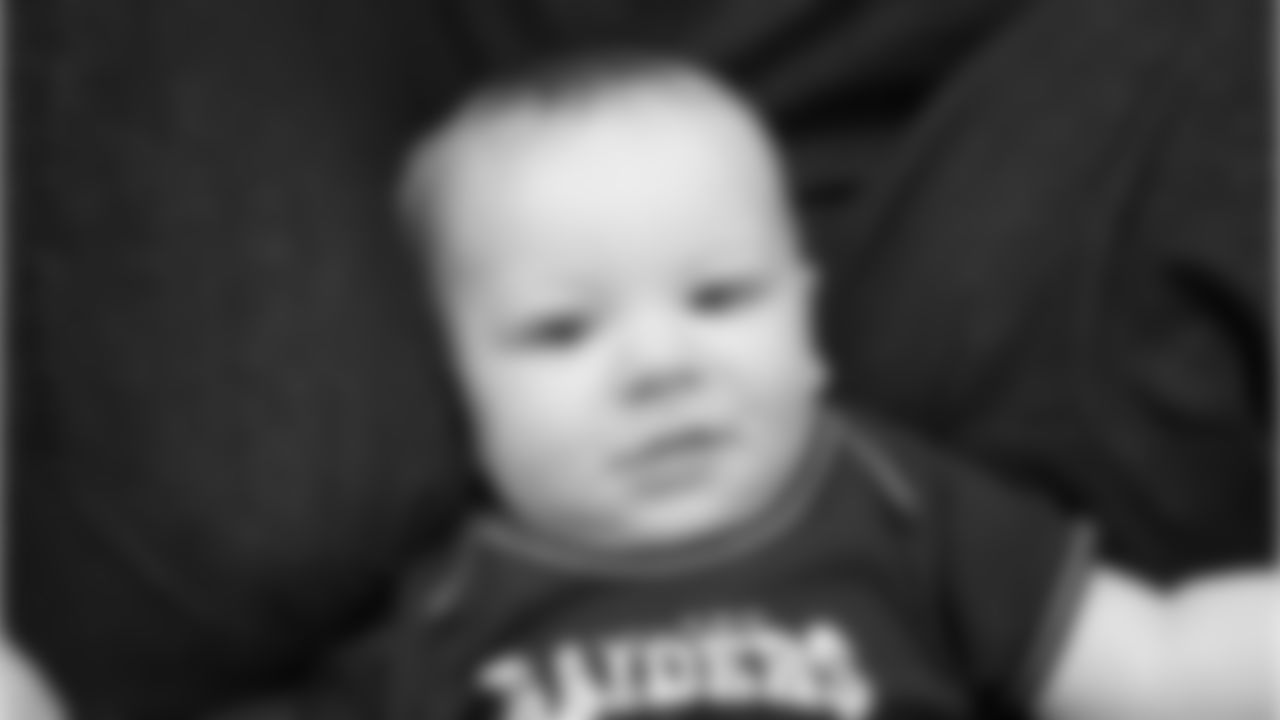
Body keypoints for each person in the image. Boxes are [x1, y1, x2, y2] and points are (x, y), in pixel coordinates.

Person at [218, 52, 1271, 720]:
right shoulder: (450, 605)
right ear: (452, 388)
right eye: (560, 331)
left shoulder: (896, 505)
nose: (662, 365)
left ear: (808, 328)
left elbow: (1157, 661)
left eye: (720, 297)